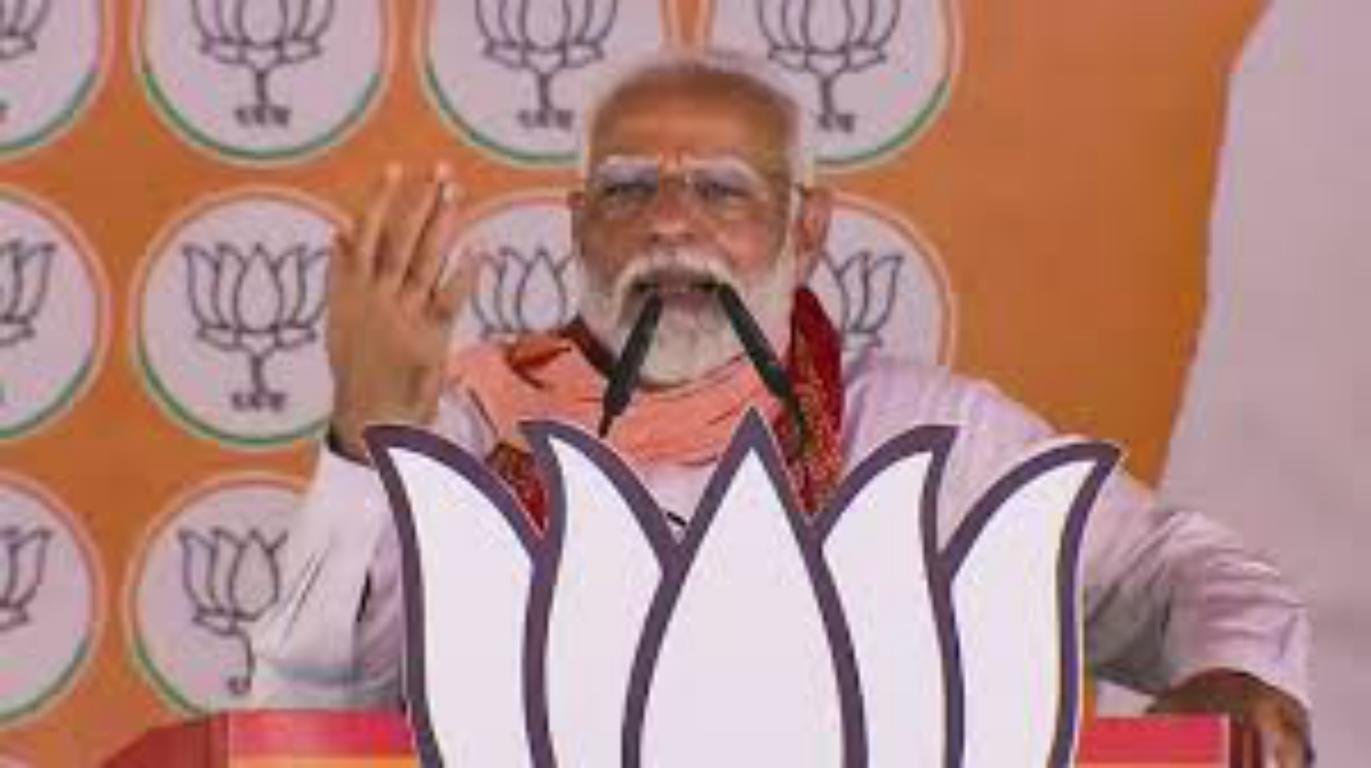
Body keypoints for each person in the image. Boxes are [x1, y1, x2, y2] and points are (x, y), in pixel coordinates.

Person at [249, 50, 1313, 765]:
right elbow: (302, 720)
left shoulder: (923, 434)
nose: (670, 224)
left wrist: (1233, 670)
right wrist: (367, 434)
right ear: (577, 226)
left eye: (721, 190)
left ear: (807, 230)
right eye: (627, 189)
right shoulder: (473, 429)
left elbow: (1173, 570)